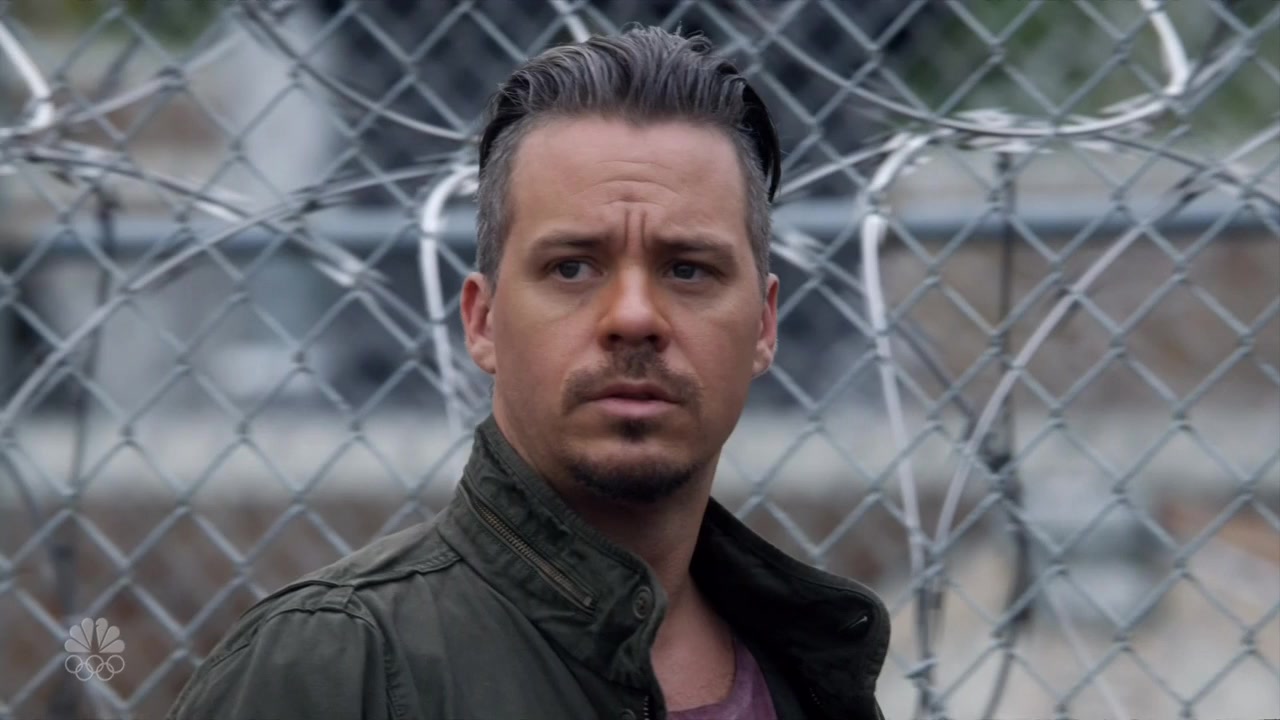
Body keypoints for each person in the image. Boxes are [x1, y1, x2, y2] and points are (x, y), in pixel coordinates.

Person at [169, 26, 888, 720]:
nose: (634, 317)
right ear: (483, 321)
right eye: (572, 267)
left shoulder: (810, 666)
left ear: (763, 325)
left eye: (688, 269)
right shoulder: (331, 667)